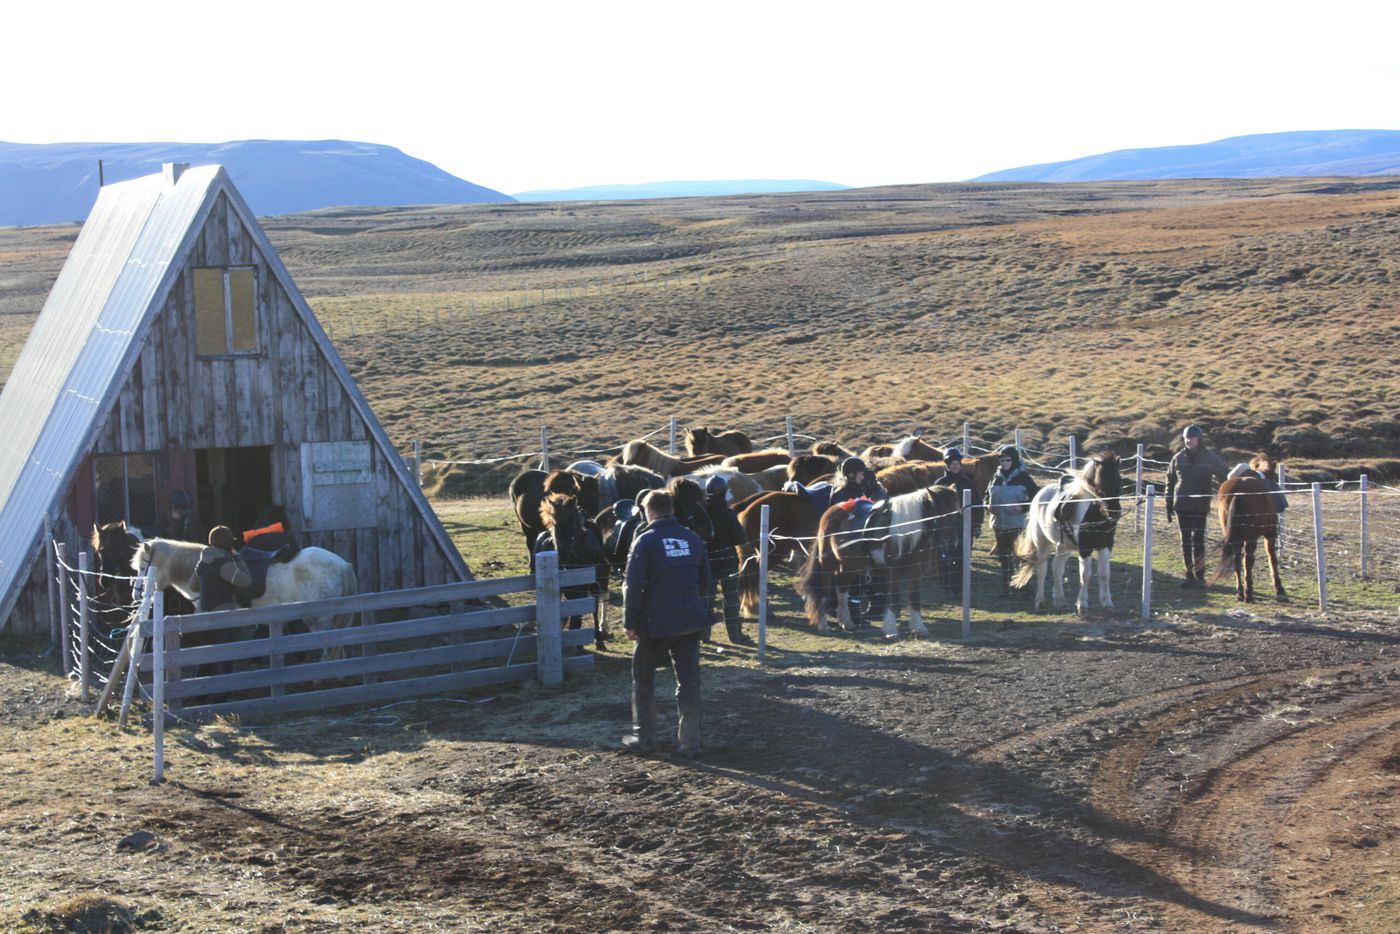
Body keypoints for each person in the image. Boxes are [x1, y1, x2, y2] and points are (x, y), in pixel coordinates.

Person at [622, 491, 714, 756]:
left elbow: (634, 585)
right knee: (688, 680)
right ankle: (691, 741)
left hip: (656, 623)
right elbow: (705, 580)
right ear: (671, 508)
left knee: (643, 677)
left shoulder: (645, 541)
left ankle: (645, 738)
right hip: (690, 619)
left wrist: (630, 622)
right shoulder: (692, 538)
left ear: (648, 511)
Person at [1165, 424, 1229, 588]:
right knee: (1185, 541)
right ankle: (1189, 575)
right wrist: (1168, 502)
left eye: (1192, 437)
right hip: (1182, 505)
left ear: (1199, 439)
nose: (1189, 440)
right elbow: (1170, 481)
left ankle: (1200, 575)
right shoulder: (1178, 458)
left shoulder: (1210, 457)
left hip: (1200, 505)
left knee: (1198, 540)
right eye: (1187, 437)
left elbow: (1224, 475)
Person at [702, 475, 753, 646]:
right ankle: (735, 635)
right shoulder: (728, 513)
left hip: (707, 562)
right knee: (731, 599)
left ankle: (703, 634)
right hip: (728, 562)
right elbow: (740, 538)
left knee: (706, 599)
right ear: (723, 492)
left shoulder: (701, 511)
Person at [985, 445, 1040, 594]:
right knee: (1004, 558)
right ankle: (1006, 588)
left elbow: (1036, 496)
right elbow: (986, 495)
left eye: (1007, 460)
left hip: (1018, 524)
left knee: (1021, 557)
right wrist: (987, 506)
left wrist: (1024, 507)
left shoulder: (1023, 477)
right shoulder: (995, 477)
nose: (1004, 463)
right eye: (1002, 460)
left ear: (1014, 460)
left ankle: (1024, 588)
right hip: (999, 524)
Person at [196, 526, 251, 613]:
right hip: (224, 616)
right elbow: (246, 581)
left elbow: (193, 587)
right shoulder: (224, 565)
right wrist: (238, 559)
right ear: (228, 543)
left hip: (205, 615)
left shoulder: (201, 563)